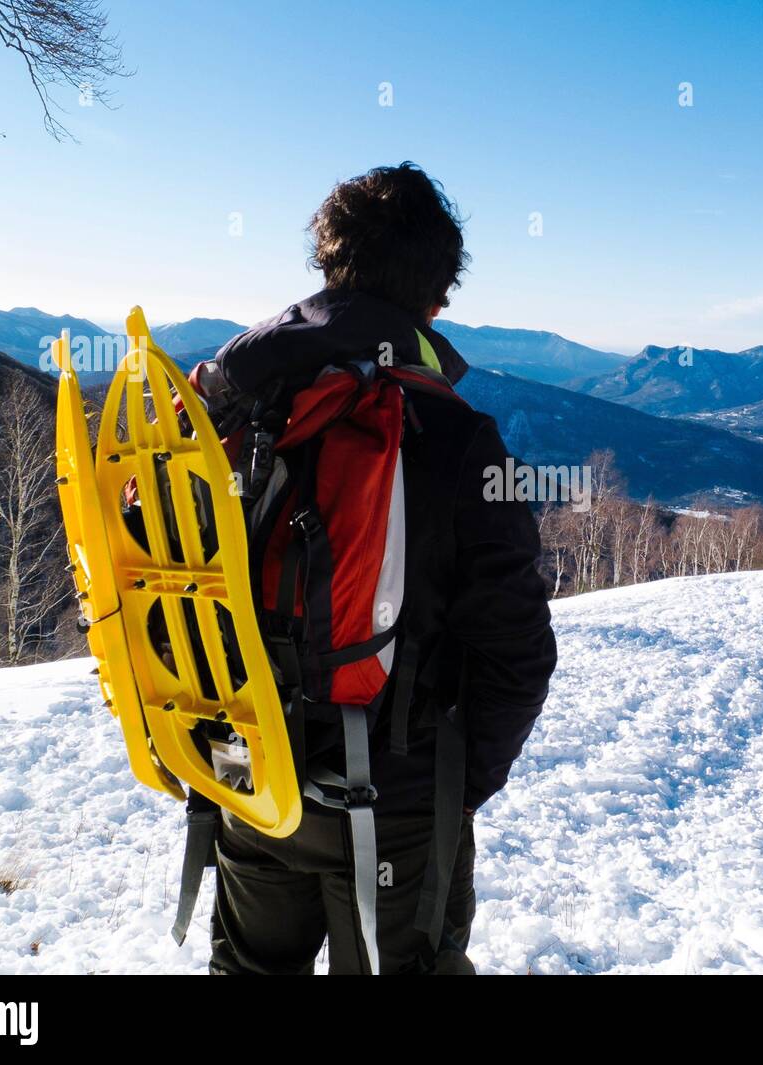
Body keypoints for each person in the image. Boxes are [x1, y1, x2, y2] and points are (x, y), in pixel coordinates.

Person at [199, 162, 557, 975]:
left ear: (329, 268)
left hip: (252, 768)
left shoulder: (239, 404)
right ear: (435, 298)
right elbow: (518, 650)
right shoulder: (457, 438)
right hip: (395, 795)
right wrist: (460, 787)